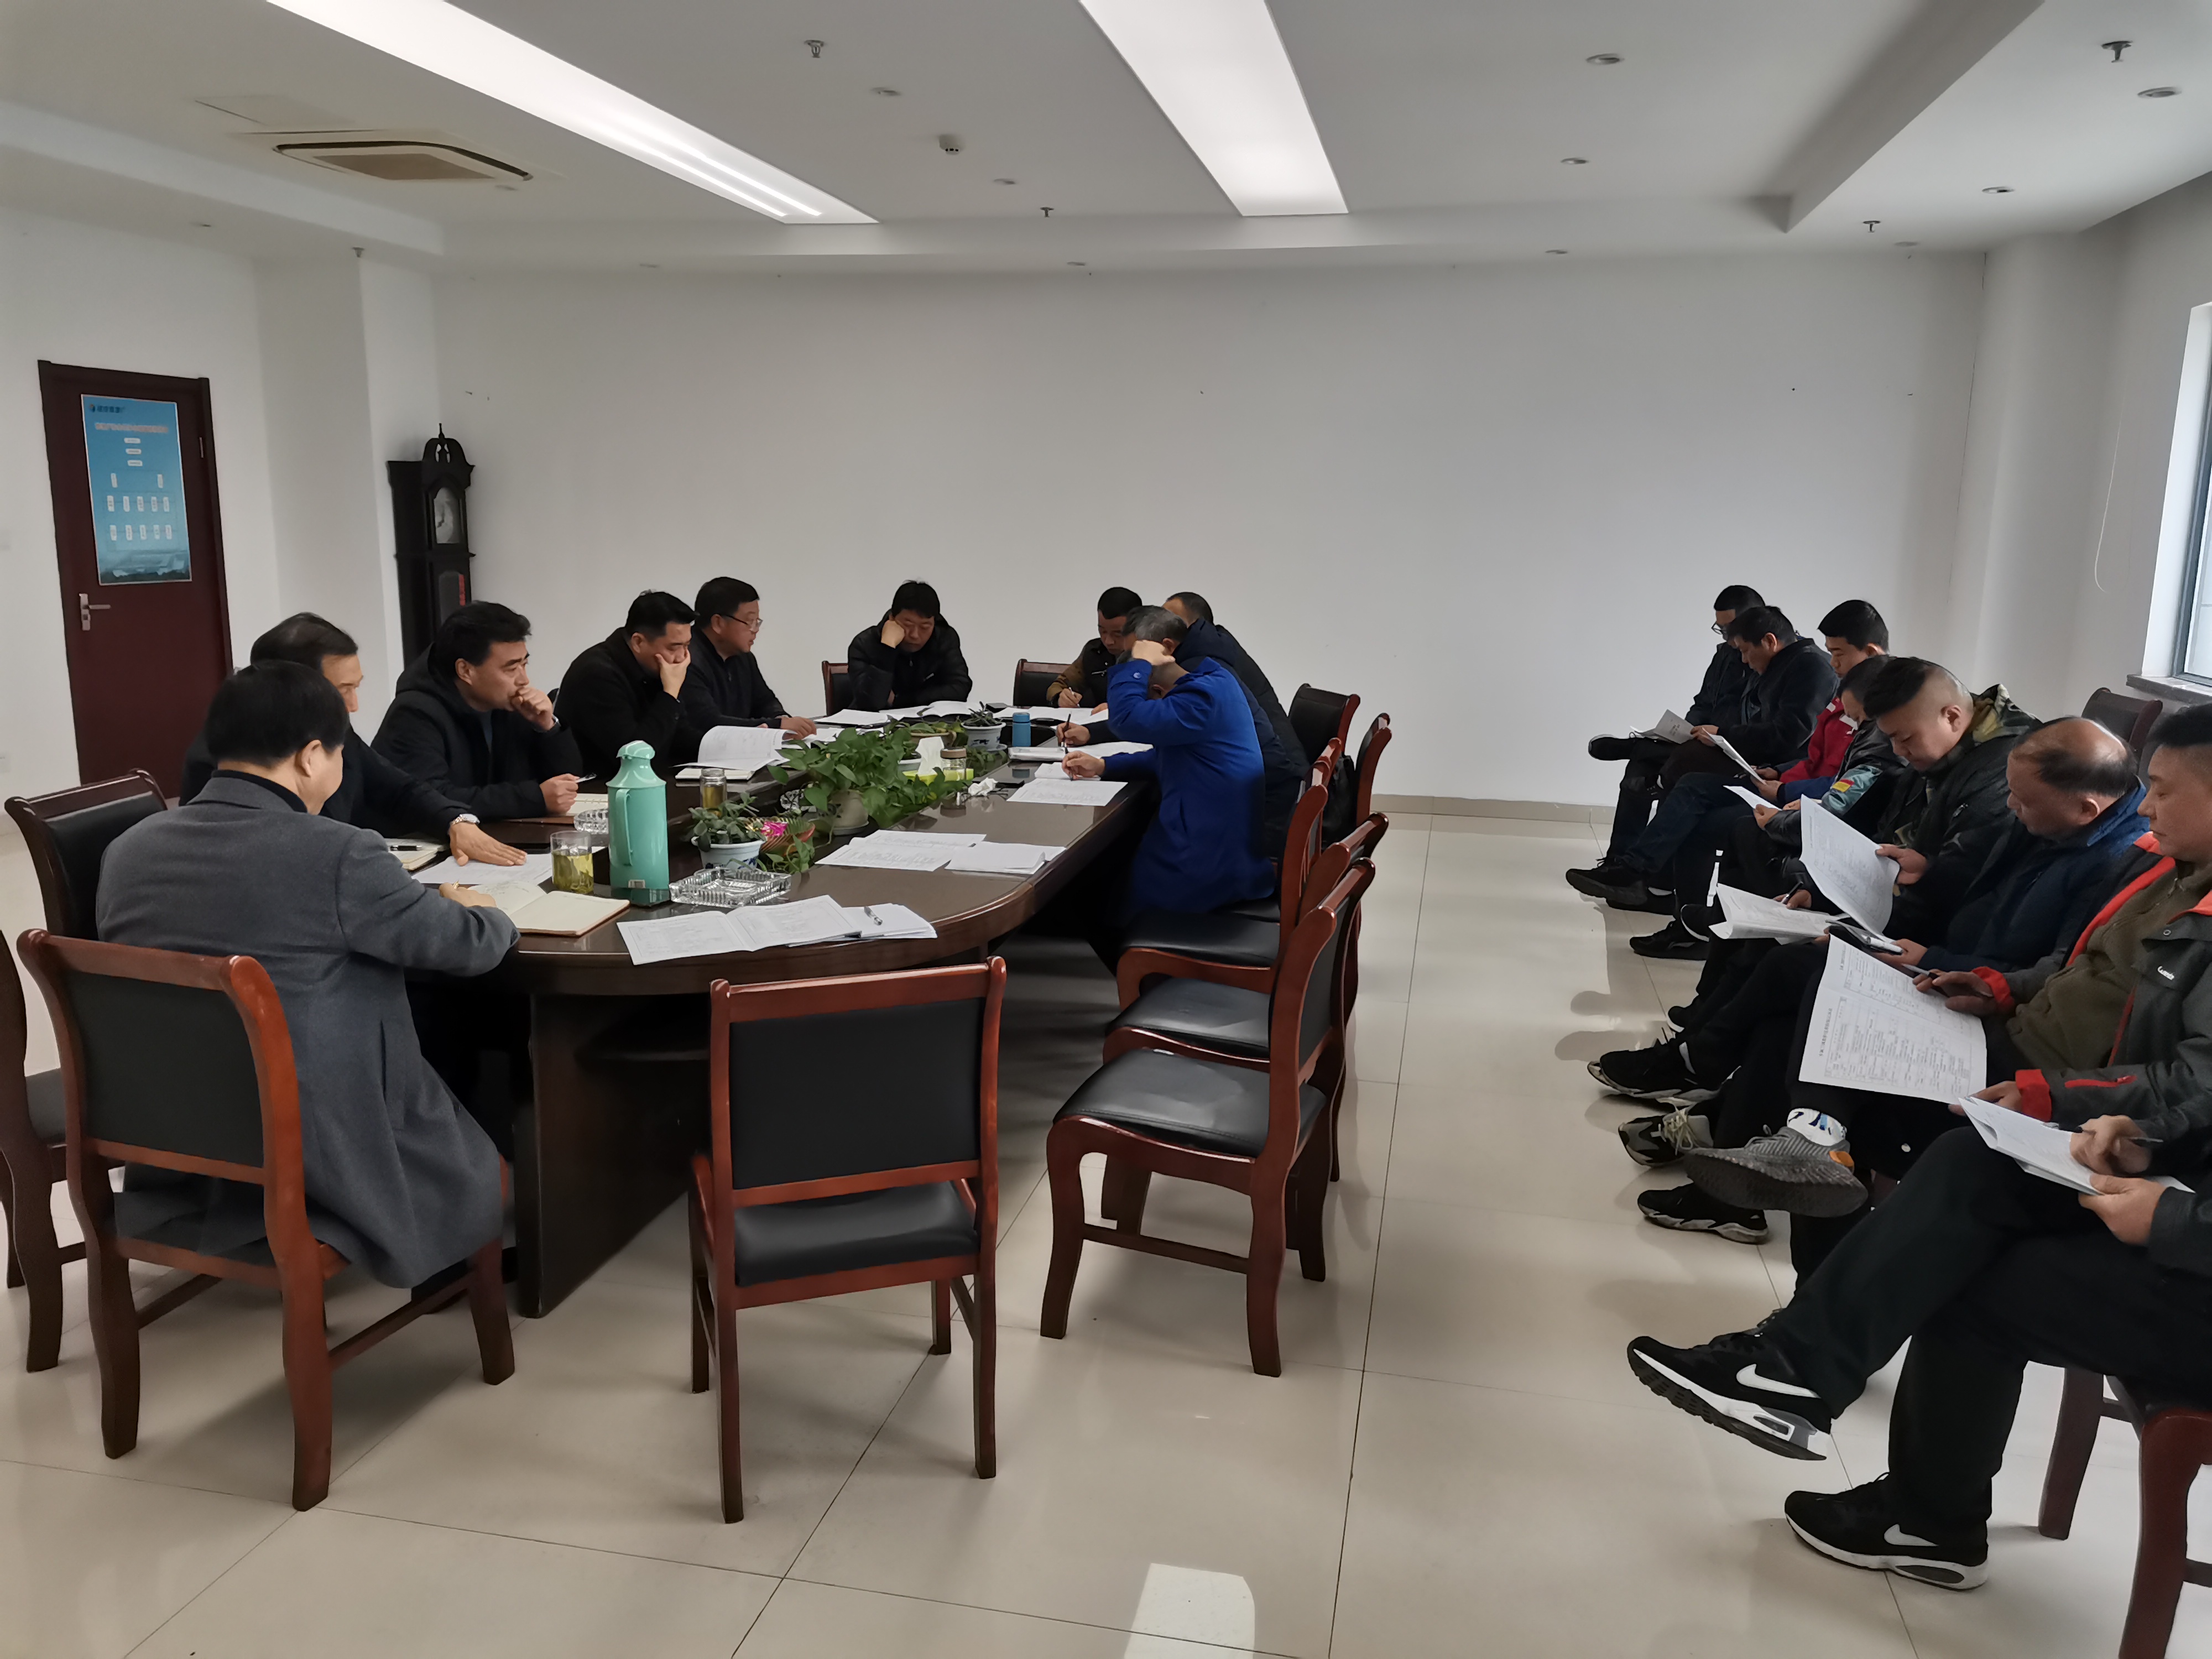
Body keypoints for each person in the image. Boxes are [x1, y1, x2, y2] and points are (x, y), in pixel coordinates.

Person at [1617, 718, 2146, 1250]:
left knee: (1812, 975)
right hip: (1949, 968)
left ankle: (1707, 1077)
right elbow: (1975, 890)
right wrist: (1926, 870)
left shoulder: (2114, 864)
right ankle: (1751, 1158)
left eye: (2024, 801)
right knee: (1784, 1014)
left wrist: (1934, 960)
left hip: (1980, 1002)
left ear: (2086, 809)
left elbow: (2056, 969)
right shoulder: (2050, 822)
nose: (2010, 806)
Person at [99, 661, 517, 1288]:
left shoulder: (128, 849)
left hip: (169, 1126)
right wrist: (485, 912)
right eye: (341, 752)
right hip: (317, 1135)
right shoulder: (340, 853)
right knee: (476, 1124)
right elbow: (466, 948)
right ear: (311, 756)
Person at [180, 613, 524, 870]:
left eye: (355, 687)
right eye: (343, 690)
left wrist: (456, 821)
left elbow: (399, 788)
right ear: (292, 685)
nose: (354, 705)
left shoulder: (336, 732)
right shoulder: (224, 761)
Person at [1570, 605, 1838, 912]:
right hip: (1766, 768)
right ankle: (1636, 872)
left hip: (1780, 780)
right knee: (1680, 776)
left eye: (1745, 651)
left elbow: (1790, 736)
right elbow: (1715, 706)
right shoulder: (1777, 664)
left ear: (1769, 641)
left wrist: (1738, 744)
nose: (1743, 659)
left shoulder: (1812, 668)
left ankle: (1644, 876)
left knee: (1689, 780)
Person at [1619, 655, 1887, 962]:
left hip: (1803, 802)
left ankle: (1717, 923)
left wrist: (1786, 795)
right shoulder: (1849, 704)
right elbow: (1817, 762)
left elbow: (1842, 787)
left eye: (1839, 652)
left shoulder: (1872, 728)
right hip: (1793, 791)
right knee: (1694, 788)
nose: (1834, 662)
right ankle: (1659, 889)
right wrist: (1779, 772)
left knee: (1732, 829)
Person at [1062, 606, 1276, 927]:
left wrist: (1137, 664)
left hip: (1205, 864)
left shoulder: (1199, 699)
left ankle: (1132, 949)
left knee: (1096, 894)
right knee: (1103, 880)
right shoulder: (1216, 681)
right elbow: (1167, 757)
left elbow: (1126, 719)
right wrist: (1104, 765)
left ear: (1158, 692)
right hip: (1226, 851)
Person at [1578, 585, 1765, 877]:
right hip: (1707, 741)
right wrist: (1688, 728)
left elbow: (1768, 729)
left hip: (1735, 752)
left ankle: (1639, 745)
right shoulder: (1724, 655)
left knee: (1675, 769)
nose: (1726, 638)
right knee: (1638, 773)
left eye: (1730, 629)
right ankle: (1618, 863)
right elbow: (1704, 702)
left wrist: (1719, 734)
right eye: (1721, 629)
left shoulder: (1770, 661)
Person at [373, 602, 585, 820]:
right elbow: (429, 800)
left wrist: (548, 729)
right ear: (465, 670)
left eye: (524, 664)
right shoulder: (414, 714)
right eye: (512, 668)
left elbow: (568, 783)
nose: (524, 680)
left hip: (503, 832)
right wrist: (533, 799)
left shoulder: (509, 705)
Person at [557, 590, 704, 779]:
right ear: (638, 642)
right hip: (600, 788)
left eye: (687, 646)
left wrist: (723, 749)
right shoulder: (597, 674)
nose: (682, 658)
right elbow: (634, 757)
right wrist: (669, 695)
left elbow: (679, 736)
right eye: (674, 647)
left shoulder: (656, 668)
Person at [1162, 591, 1305, 768]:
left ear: (1196, 624)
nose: (1161, 627)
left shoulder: (1203, 663)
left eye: (1172, 622)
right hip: (1276, 763)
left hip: (1275, 770)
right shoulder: (1216, 646)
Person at [684, 577, 816, 737]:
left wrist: (781, 718)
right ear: (718, 623)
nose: (756, 629)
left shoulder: (743, 657)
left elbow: (764, 701)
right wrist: (777, 726)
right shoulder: (686, 659)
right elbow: (709, 723)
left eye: (757, 622)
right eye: (749, 621)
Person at [847, 580, 972, 711]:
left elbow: (960, 687)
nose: (915, 635)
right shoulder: (864, 644)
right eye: (907, 625)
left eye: (925, 627)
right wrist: (887, 648)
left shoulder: (944, 638)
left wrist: (901, 701)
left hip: (928, 721)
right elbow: (870, 704)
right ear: (892, 619)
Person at [1046, 587, 1142, 709]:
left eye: (1118, 634)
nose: (1108, 641)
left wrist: (1116, 708)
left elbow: (1162, 702)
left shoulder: (1154, 655)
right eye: (1103, 631)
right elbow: (1057, 686)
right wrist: (1061, 697)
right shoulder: (1095, 652)